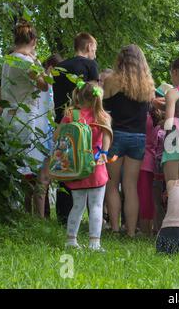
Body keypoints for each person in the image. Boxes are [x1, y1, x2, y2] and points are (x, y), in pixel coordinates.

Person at [103, 44, 155, 237]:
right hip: (138, 139)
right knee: (130, 186)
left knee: (112, 183)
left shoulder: (110, 80)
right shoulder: (147, 84)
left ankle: (115, 228)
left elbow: (105, 111)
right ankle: (132, 232)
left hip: (116, 139)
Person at [0, 20, 49, 217]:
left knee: (12, 161)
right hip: (24, 115)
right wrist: (38, 62)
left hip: (8, 114)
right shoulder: (25, 61)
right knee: (25, 164)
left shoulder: (9, 59)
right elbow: (44, 85)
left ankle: (13, 208)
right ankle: (19, 211)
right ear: (34, 41)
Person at [59, 82, 112, 251]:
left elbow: (57, 136)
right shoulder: (101, 115)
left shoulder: (70, 114)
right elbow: (107, 137)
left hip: (75, 165)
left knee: (77, 205)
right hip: (95, 164)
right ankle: (94, 243)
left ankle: (71, 240)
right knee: (96, 205)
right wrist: (104, 152)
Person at [53, 32, 99, 225]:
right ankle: (89, 211)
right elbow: (95, 95)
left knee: (64, 162)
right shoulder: (90, 65)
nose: (95, 54)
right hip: (84, 122)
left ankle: (64, 213)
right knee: (84, 162)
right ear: (88, 46)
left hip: (63, 119)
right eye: (94, 49)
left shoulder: (60, 67)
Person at [34, 53, 63, 219]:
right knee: (43, 177)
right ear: (52, 68)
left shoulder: (42, 82)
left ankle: (39, 213)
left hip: (44, 131)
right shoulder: (46, 83)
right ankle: (40, 216)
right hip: (45, 132)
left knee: (42, 177)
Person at [137, 85, 169, 236]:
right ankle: (151, 228)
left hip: (144, 160)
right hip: (152, 161)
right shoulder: (157, 118)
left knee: (144, 197)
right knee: (149, 196)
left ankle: (146, 230)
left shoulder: (146, 117)